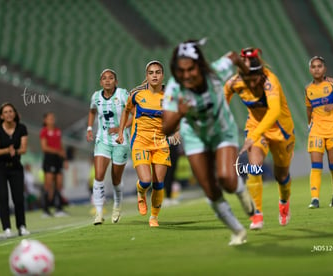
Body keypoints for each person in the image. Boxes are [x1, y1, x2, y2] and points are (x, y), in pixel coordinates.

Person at [162, 39, 256, 246]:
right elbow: (166, 129)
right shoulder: (174, 88)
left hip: (222, 131)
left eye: (191, 69)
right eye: (181, 70)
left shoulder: (215, 73)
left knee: (226, 179)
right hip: (195, 137)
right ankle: (238, 231)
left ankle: (241, 191)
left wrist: (245, 71)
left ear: (200, 66)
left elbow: (232, 55)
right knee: (210, 189)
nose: (186, 75)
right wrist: (179, 113)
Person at [224, 47, 295, 230]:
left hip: (280, 131)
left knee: (282, 176)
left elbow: (274, 112)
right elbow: (220, 103)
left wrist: (253, 136)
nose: (252, 83)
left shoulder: (270, 81)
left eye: (254, 77)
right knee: (254, 168)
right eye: (248, 79)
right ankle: (257, 215)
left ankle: (284, 202)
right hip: (256, 128)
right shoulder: (234, 83)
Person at [116, 61, 174, 227]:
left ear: (162, 75)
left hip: (160, 142)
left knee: (159, 183)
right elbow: (126, 110)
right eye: (151, 72)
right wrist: (121, 131)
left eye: (157, 72)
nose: (154, 75)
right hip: (140, 141)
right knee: (146, 180)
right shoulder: (136, 94)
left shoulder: (169, 96)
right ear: (146, 76)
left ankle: (154, 217)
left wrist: (175, 131)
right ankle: (141, 193)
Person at [305, 56, 333, 208]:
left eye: (319, 66)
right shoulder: (308, 89)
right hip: (316, 130)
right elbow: (308, 107)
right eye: (313, 66)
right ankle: (314, 199)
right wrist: (309, 124)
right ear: (310, 70)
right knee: (316, 165)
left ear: (324, 69)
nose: (316, 69)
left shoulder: (332, 83)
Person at [87, 69, 131, 225]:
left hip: (121, 142)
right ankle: (99, 213)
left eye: (111, 78)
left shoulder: (123, 95)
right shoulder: (96, 96)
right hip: (103, 140)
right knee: (98, 175)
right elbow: (92, 111)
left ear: (116, 82)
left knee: (116, 179)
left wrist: (121, 128)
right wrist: (90, 128)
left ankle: (117, 206)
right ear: (101, 82)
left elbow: (135, 114)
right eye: (104, 78)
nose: (107, 80)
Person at [0, 102, 30, 238]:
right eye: (5, 112)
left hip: (15, 168)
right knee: (3, 197)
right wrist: (8, 150)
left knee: (18, 198)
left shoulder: (22, 128)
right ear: (1, 116)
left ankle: (21, 226)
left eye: (11, 111)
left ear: (15, 114)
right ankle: (6, 228)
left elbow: (24, 149)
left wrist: (16, 151)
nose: (8, 114)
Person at [40, 112, 68, 217]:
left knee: (59, 184)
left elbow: (61, 145)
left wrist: (65, 159)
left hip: (58, 160)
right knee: (48, 185)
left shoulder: (57, 131)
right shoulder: (44, 132)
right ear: (45, 120)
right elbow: (44, 147)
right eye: (49, 118)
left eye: (53, 118)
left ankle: (58, 208)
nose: (52, 120)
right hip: (49, 159)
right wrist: (57, 151)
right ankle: (46, 210)